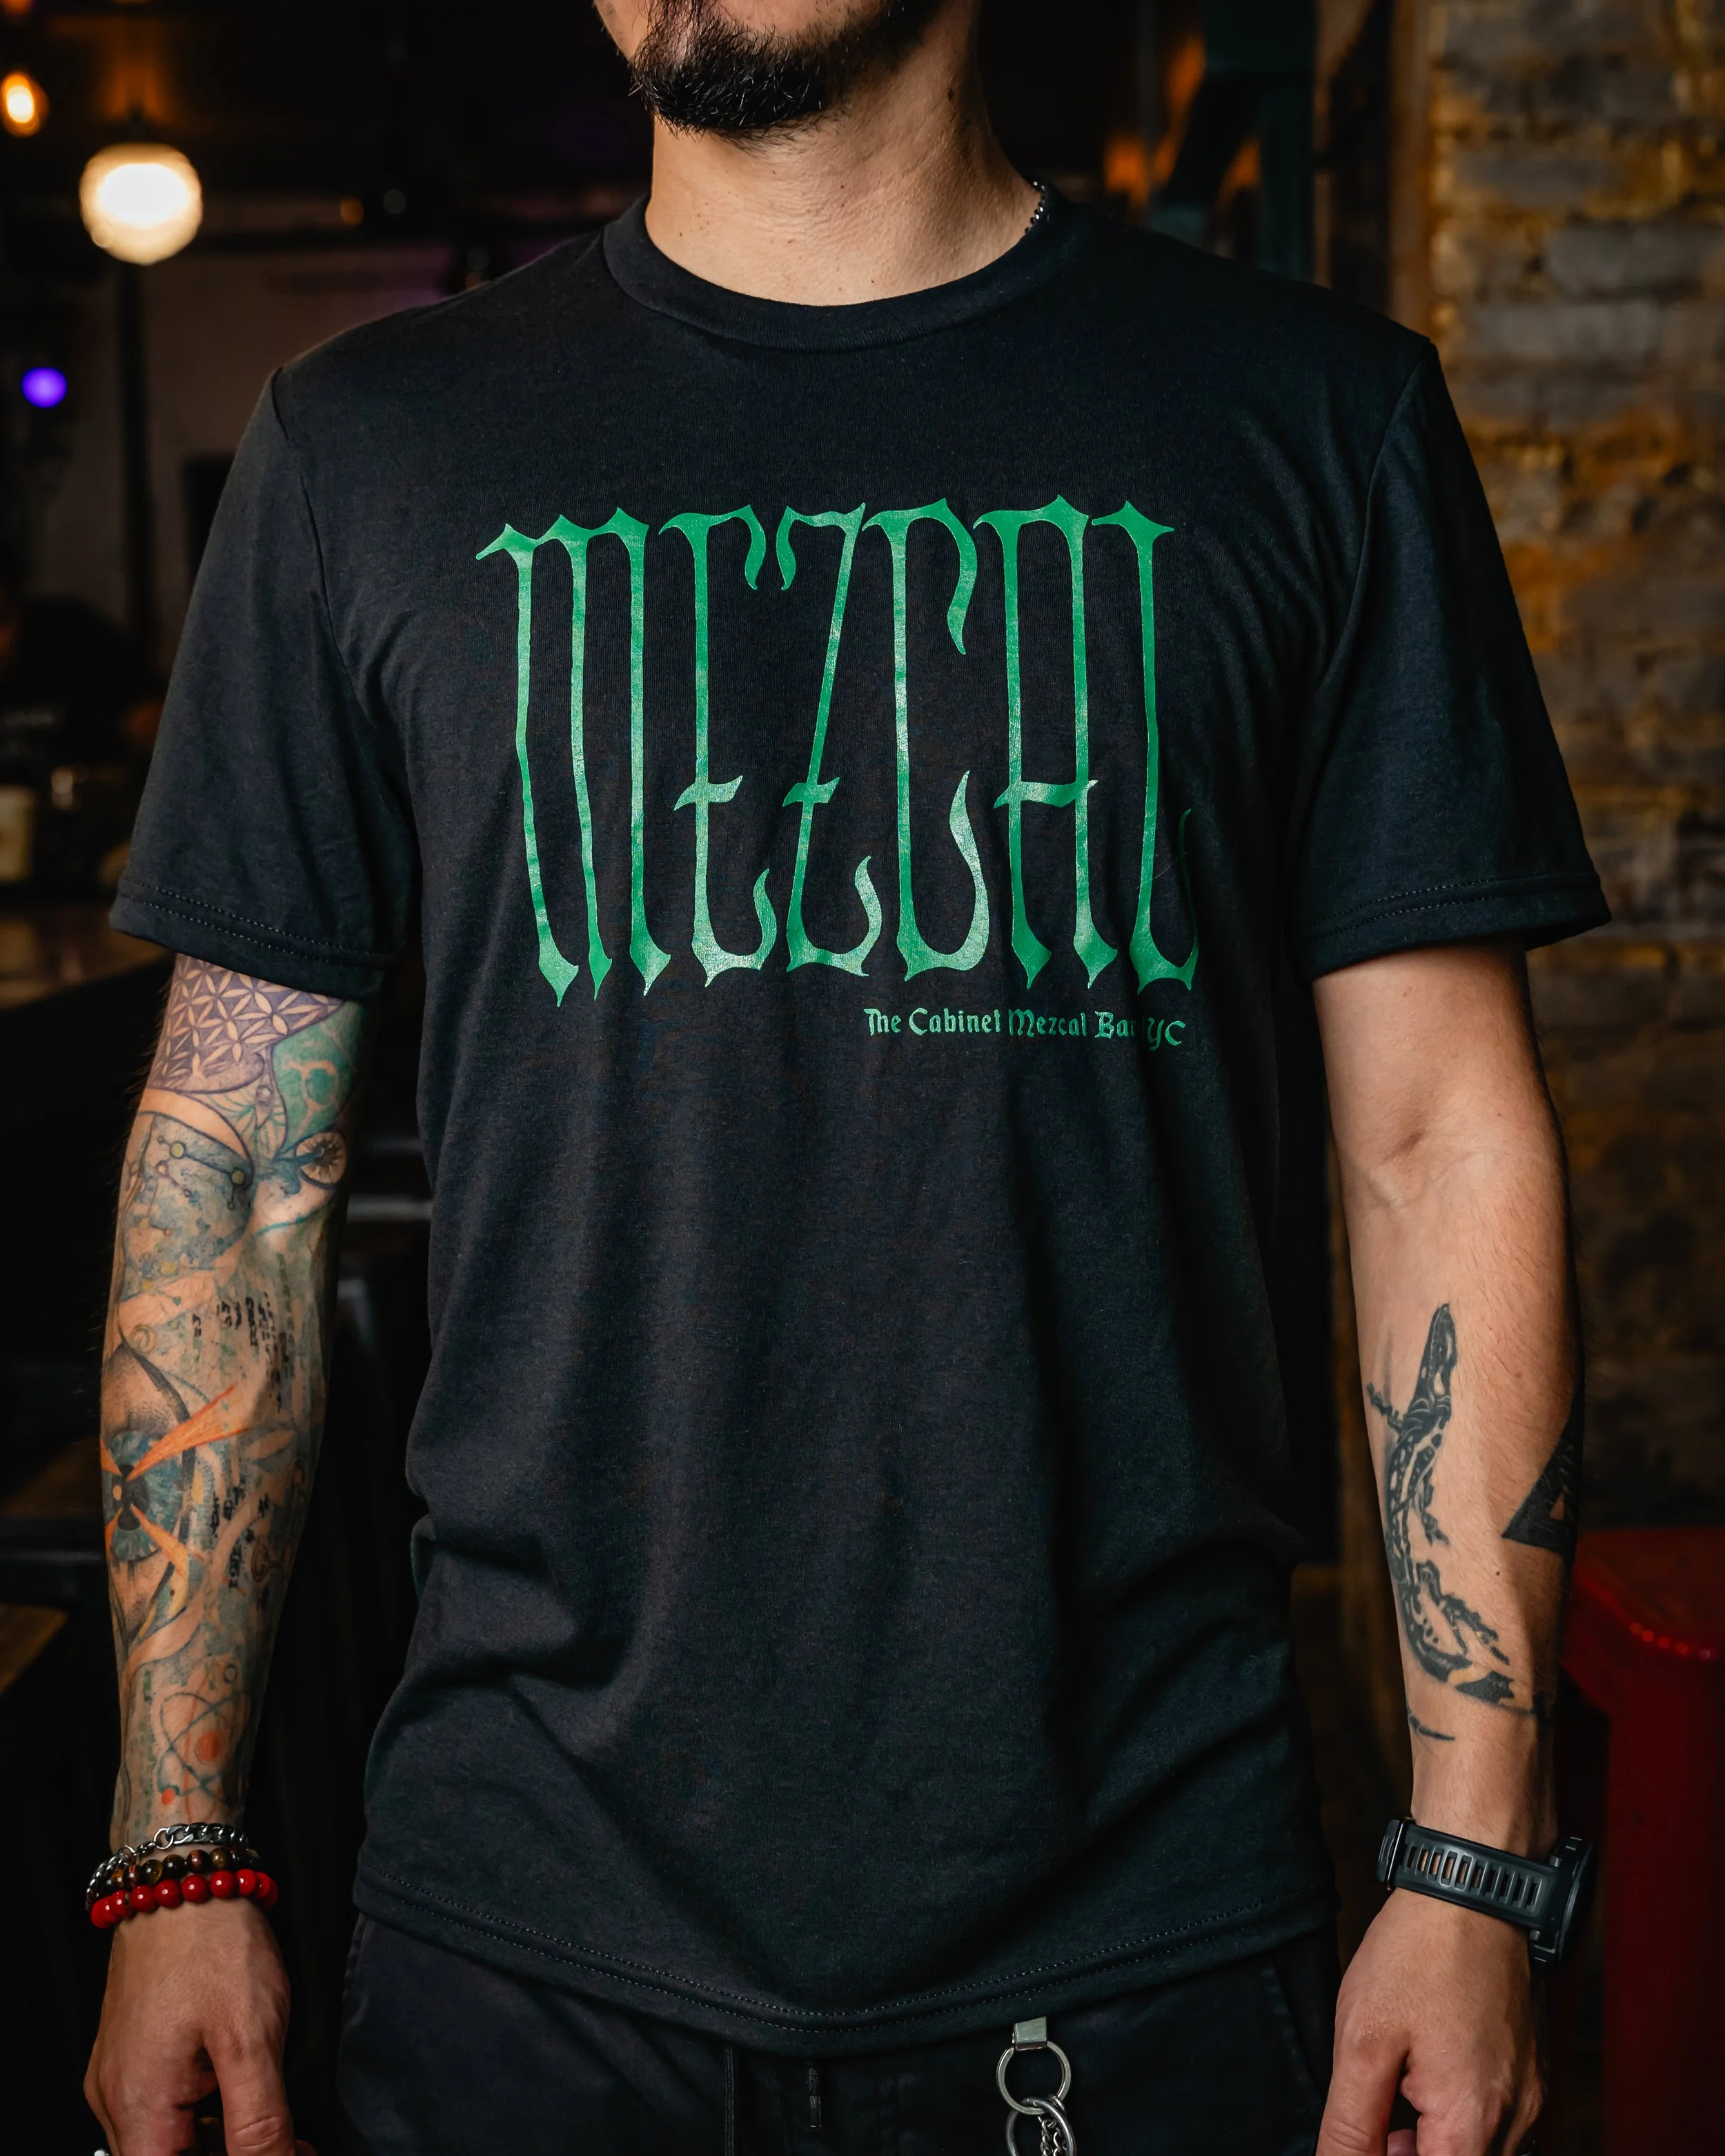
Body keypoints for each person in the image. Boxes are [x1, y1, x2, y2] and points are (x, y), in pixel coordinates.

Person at [83, 1, 1605, 2151]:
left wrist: (1474, 1856)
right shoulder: (363, 450)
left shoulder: (1313, 420)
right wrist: (172, 1841)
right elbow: (231, 1167)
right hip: (521, 1931)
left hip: (1141, 1926)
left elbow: (1437, 1140)